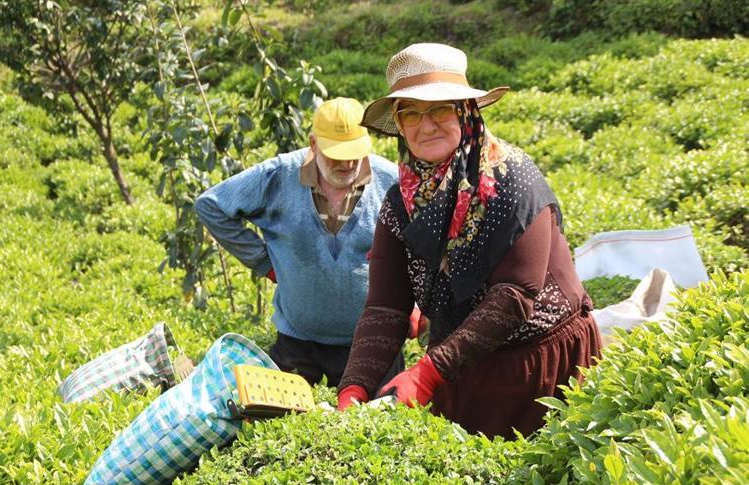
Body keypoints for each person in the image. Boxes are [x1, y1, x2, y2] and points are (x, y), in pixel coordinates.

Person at [337, 43, 602, 439]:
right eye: (410, 113)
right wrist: (354, 385)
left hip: (541, 367)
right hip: (460, 366)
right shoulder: (401, 202)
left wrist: (428, 372)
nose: (425, 125)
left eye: (440, 108)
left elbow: (516, 294)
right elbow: (386, 306)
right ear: (399, 124)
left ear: (465, 111)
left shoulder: (513, 179)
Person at [195, 97, 404, 387]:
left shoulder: (393, 181)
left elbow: (422, 244)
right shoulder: (279, 175)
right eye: (336, 153)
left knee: (376, 423)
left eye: (354, 152)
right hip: (298, 342)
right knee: (283, 421)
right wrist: (264, 263)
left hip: (373, 343)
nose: (347, 163)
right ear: (314, 144)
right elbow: (211, 205)